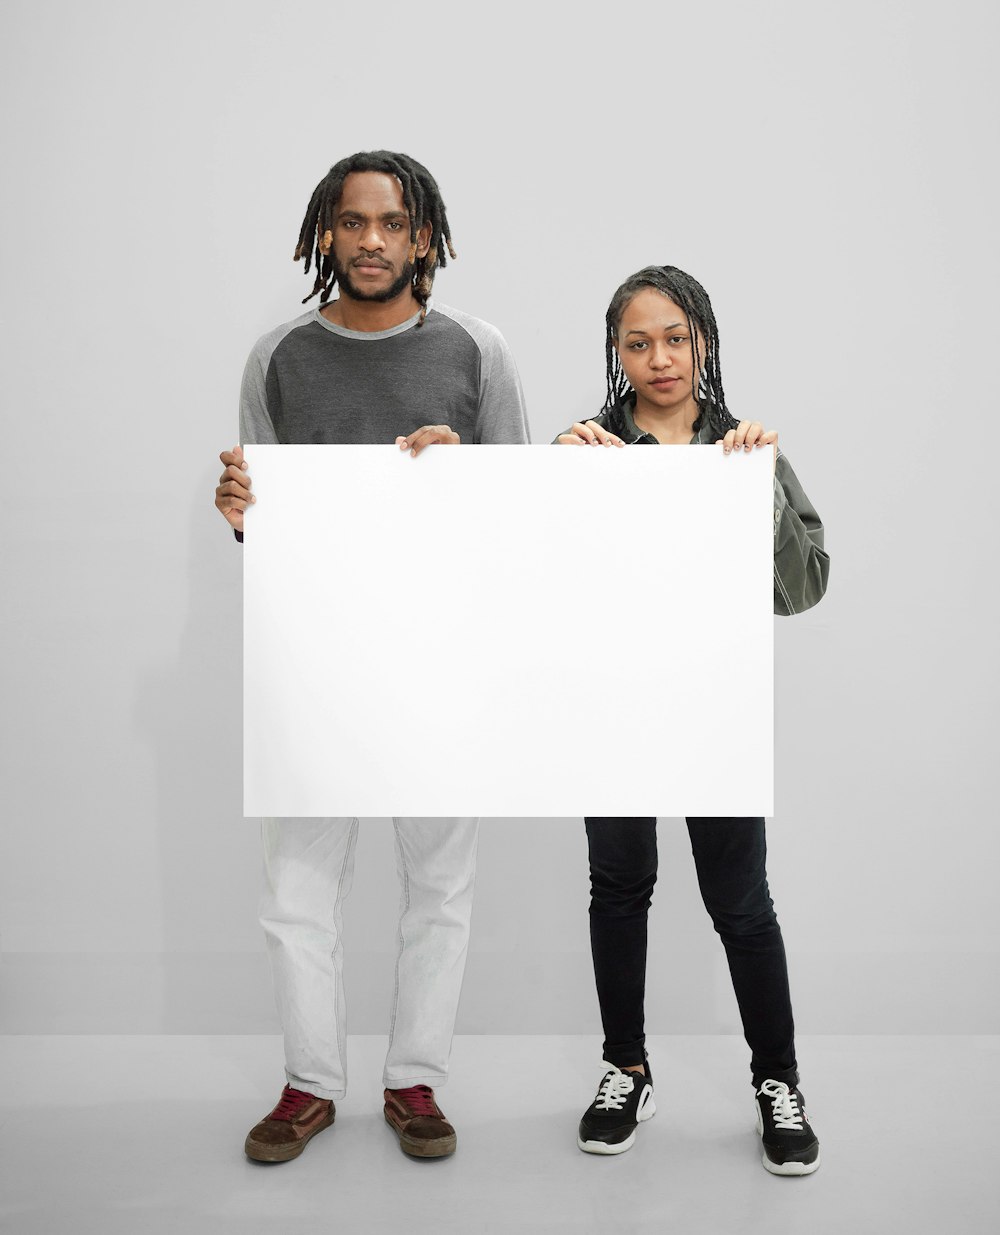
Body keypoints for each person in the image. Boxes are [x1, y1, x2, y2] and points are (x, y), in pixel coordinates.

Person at [214, 150, 530, 1163]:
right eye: (350, 223)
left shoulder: (478, 351)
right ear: (325, 236)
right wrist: (239, 516)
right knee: (297, 887)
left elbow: (521, 517)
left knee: (438, 880)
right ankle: (309, 1081)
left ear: (424, 236)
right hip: (313, 660)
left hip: (441, 661)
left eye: (392, 223)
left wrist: (463, 488)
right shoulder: (276, 358)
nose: (371, 241)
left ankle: (414, 1080)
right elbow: (268, 525)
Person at [554, 265, 829, 1176]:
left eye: (675, 336)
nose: (659, 357)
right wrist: (553, 485)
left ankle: (777, 1081)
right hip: (613, 714)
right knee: (619, 891)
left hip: (715, 710)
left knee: (741, 905)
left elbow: (802, 590)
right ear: (616, 352)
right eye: (638, 341)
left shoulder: (744, 450)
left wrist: (756, 489)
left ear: (703, 341)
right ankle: (624, 1066)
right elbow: (532, 587)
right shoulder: (588, 447)